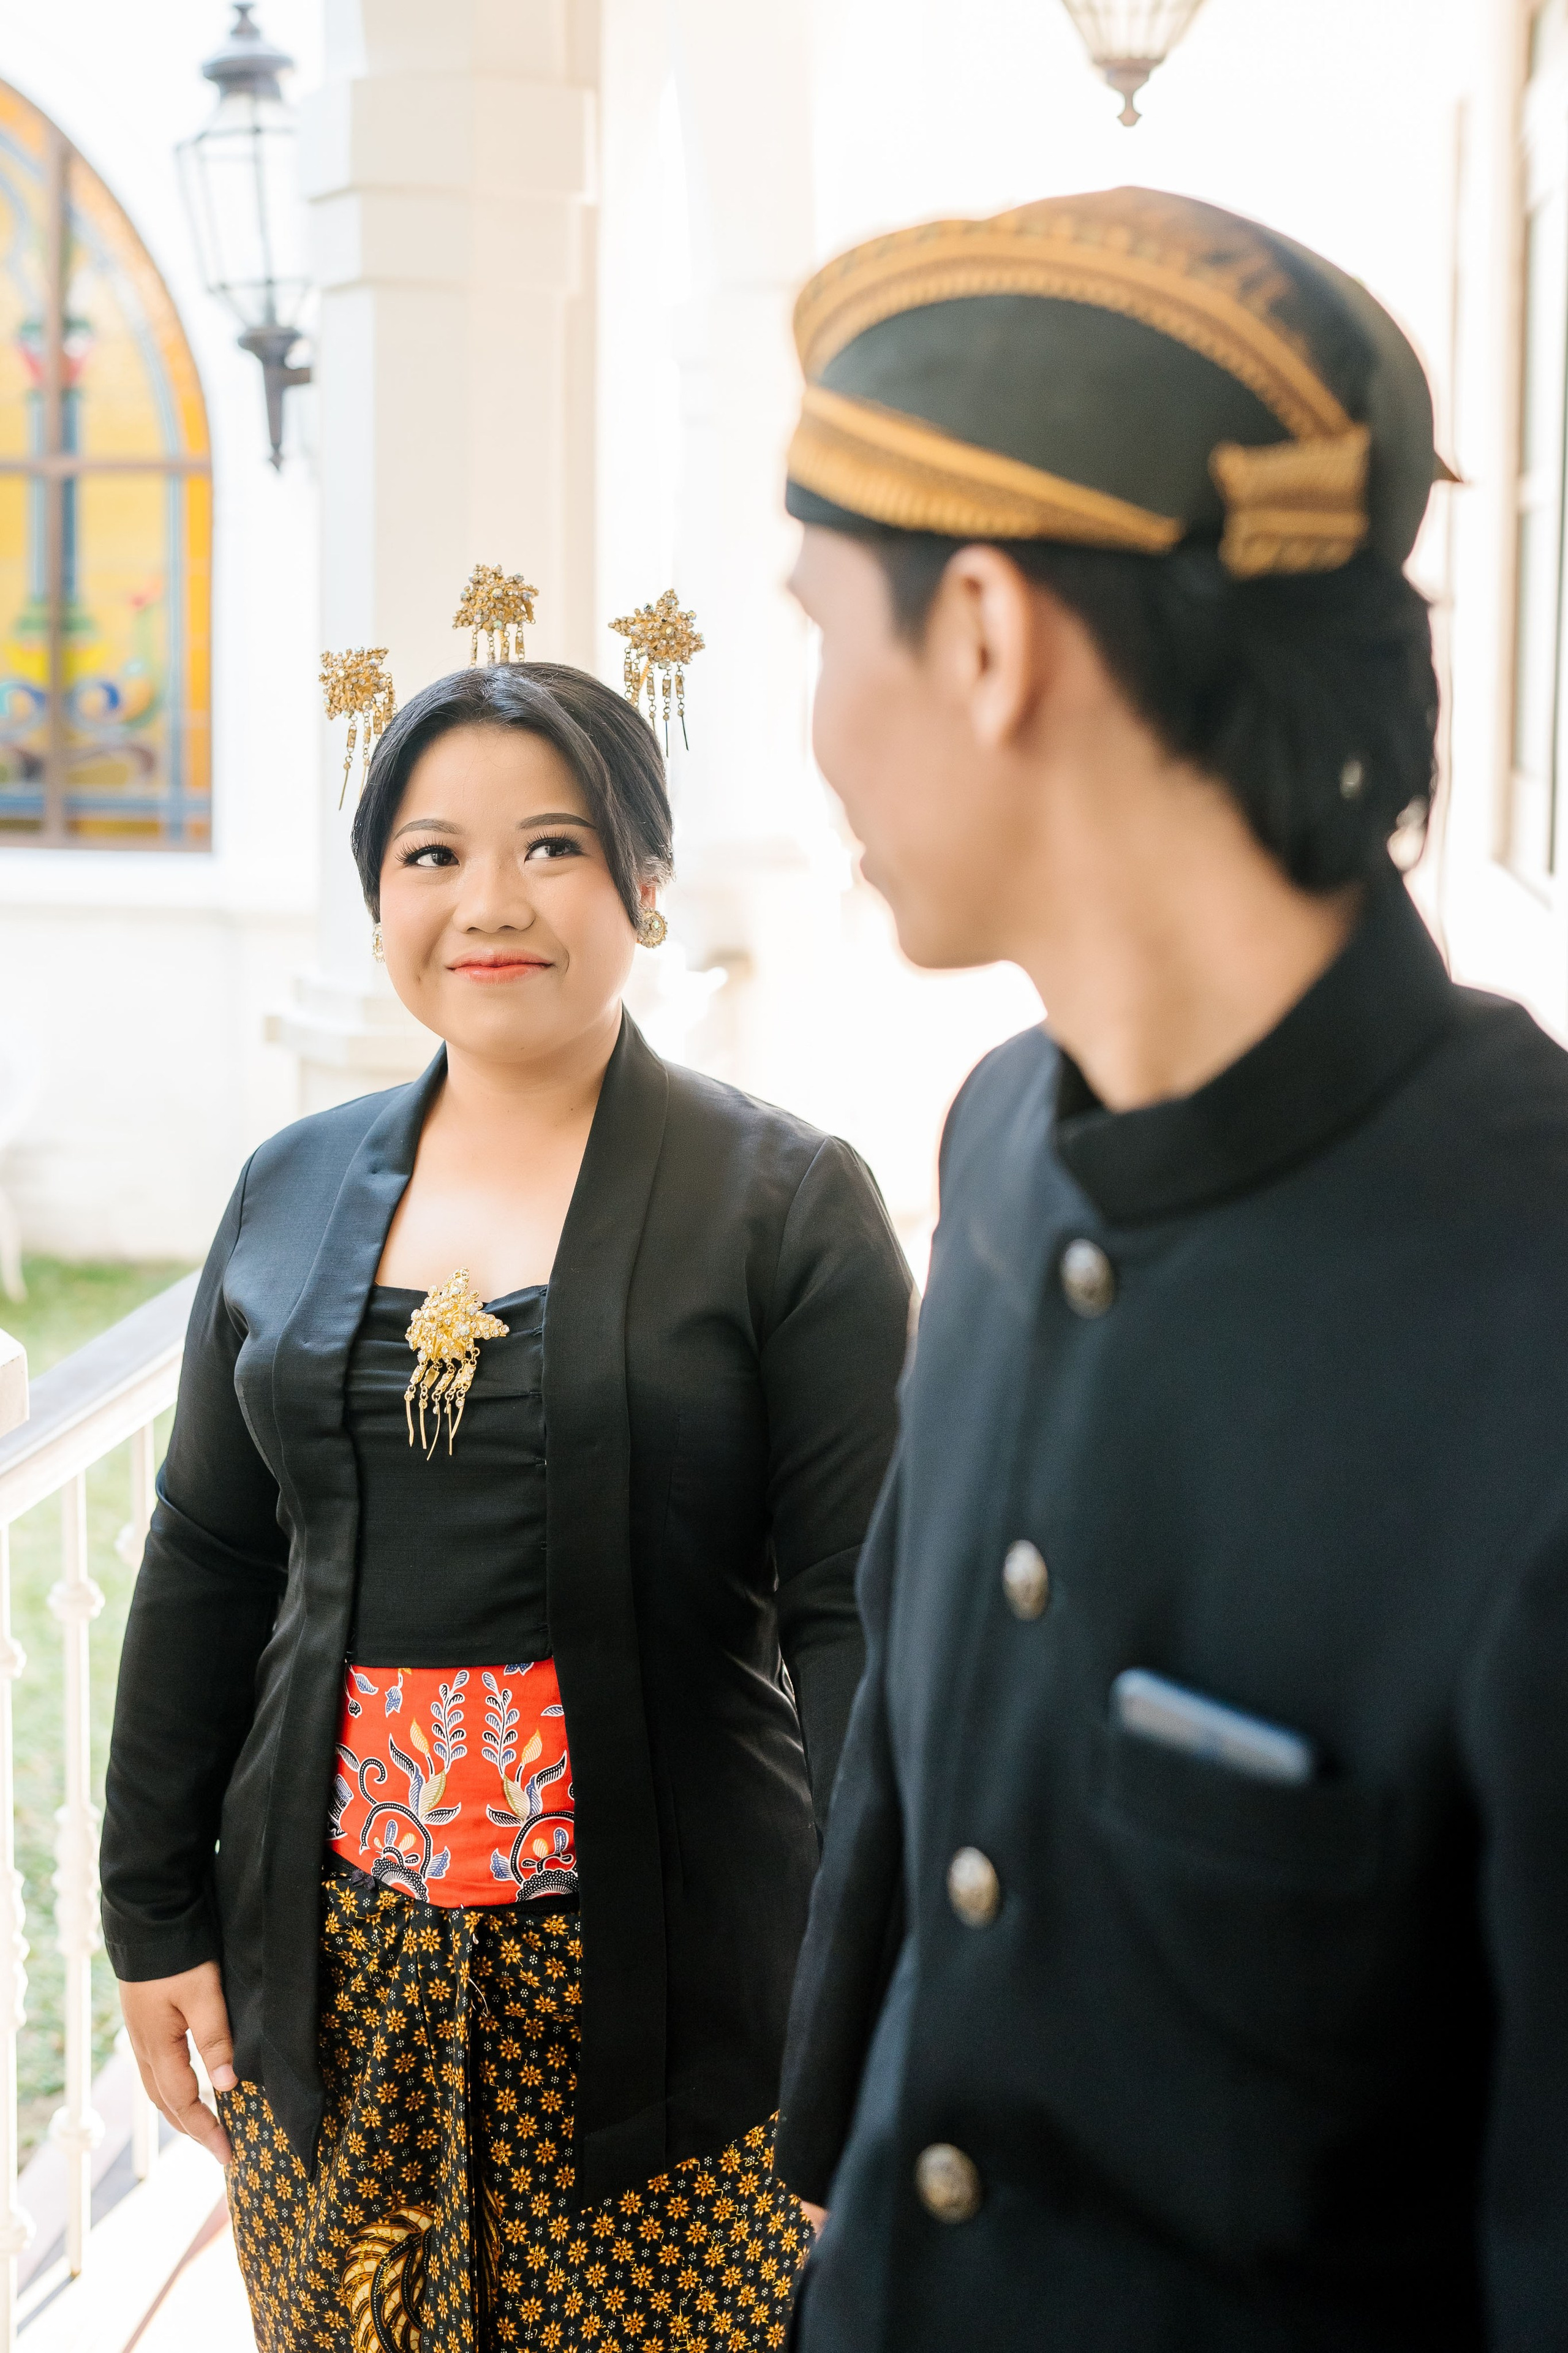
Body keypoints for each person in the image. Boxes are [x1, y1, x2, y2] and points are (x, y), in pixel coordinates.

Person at [773, 186, 1568, 2351]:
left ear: (989, 636)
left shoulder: (1530, 1337)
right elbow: (908, 1862)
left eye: (819, 628)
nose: (813, 725)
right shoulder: (997, 1140)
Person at [99, 648, 913, 2352]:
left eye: (554, 844)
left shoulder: (786, 1204)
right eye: (433, 854)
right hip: (332, 1996)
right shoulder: (287, 1191)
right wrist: (153, 1911)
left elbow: (857, 1614)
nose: (491, 901)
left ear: (646, 881)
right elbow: (208, 1558)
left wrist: (877, 1999)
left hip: (683, 2006)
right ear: (378, 901)